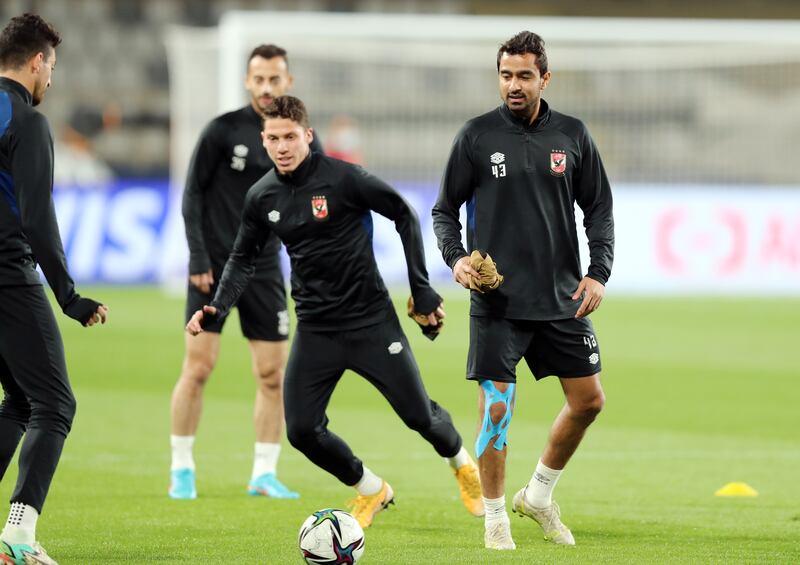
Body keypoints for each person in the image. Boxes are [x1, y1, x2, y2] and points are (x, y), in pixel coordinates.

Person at [186, 95, 484, 528]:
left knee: (418, 415)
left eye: (290, 136)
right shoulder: (261, 196)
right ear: (263, 142)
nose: (282, 146)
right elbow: (243, 258)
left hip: (371, 322)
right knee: (302, 431)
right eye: (273, 138)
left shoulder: (343, 179)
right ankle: (370, 488)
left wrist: (421, 288)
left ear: (307, 136)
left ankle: (461, 463)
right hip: (316, 328)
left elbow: (402, 213)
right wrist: (217, 307)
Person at [432, 31, 614, 550]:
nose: (513, 84)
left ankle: (537, 495)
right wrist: (458, 258)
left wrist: (598, 271)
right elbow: (445, 211)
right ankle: (496, 517)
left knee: (589, 402)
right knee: (496, 409)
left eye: (524, 75)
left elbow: (598, 208)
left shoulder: (573, 136)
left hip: (562, 298)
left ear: (545, 78)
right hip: (498, 303)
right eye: (506, 75)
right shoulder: (476, 136)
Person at [170, 44, 323, 500]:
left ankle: (263, 473)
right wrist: (198, 258)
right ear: (246, 81)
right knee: (199, 367)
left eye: (275, 79)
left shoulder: (295, 139)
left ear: (288, 83)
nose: (266, 88)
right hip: (213, 269)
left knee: (272, 375)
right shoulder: (222, 131)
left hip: (264, 271)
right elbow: (192, 194)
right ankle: (181, 468)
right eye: (258, 79)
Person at [0, 13, 108, 565]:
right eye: (52, 68)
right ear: (38, 61)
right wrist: (70, 297)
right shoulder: (26, 120)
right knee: (54, 403)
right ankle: (18, 536)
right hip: (6, 277)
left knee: (19, 400)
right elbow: (39, 218)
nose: (52, 81)